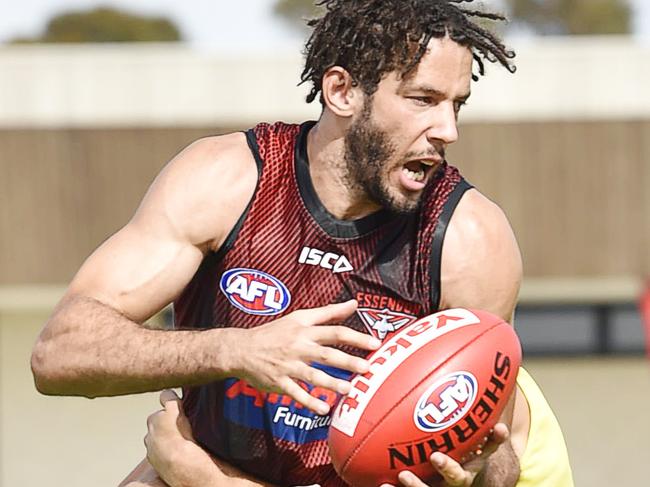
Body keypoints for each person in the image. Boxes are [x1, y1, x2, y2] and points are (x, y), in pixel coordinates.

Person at [30, 1, 573, 486]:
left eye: (457, 104)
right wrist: (235, 350)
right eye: (423, 99)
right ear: (341, 92)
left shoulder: (469, 239)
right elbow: (59, 353)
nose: (447, 129)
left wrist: (477, 474)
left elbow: (497, 453)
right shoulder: (227, 181)